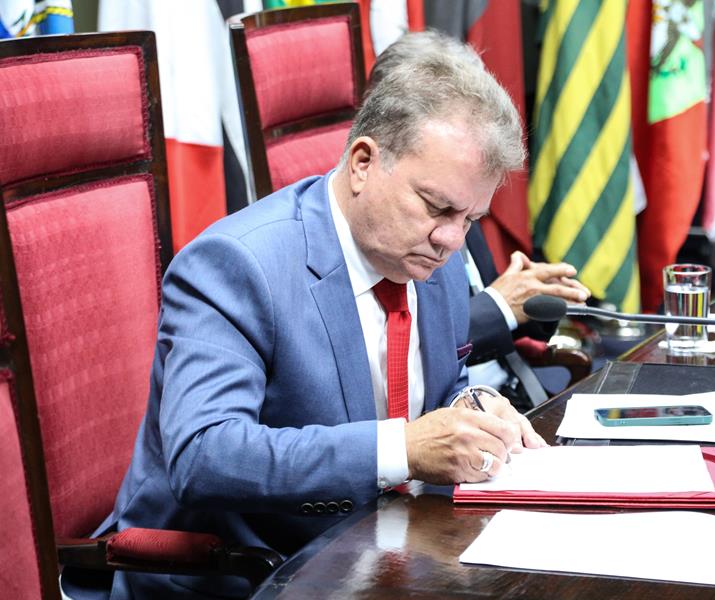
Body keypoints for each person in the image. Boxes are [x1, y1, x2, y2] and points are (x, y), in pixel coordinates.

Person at [70, 32, 545, 600]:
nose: (451, 240)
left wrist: (474, 408)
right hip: (246, 576)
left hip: (390, 553)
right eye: (437, 207)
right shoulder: (237, 265)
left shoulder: (426, 252)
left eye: (470, 218)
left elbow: (439, 390)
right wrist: (404, 449)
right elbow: (204, 455)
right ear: (363, 163)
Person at [367, 30, 591, 405]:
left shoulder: (462, 190)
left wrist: (532, 298)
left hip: (504, 396)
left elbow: (480, 305)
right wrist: (500, 305)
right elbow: (391, 344)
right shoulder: (378, 210)